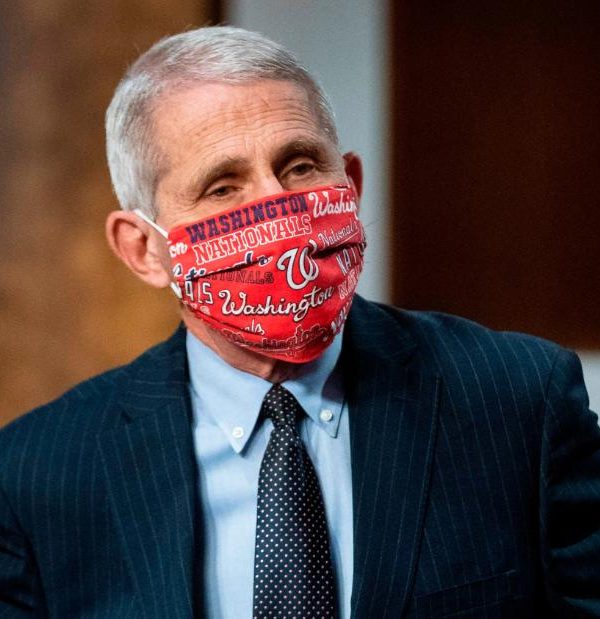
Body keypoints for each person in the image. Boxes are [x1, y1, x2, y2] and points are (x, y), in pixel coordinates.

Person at [0, 25, 599, 619]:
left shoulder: (520, 401)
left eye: (301, 166)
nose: (278, 206)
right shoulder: (35, 474)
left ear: (351, 185)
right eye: (222, 187)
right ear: (143, 250)